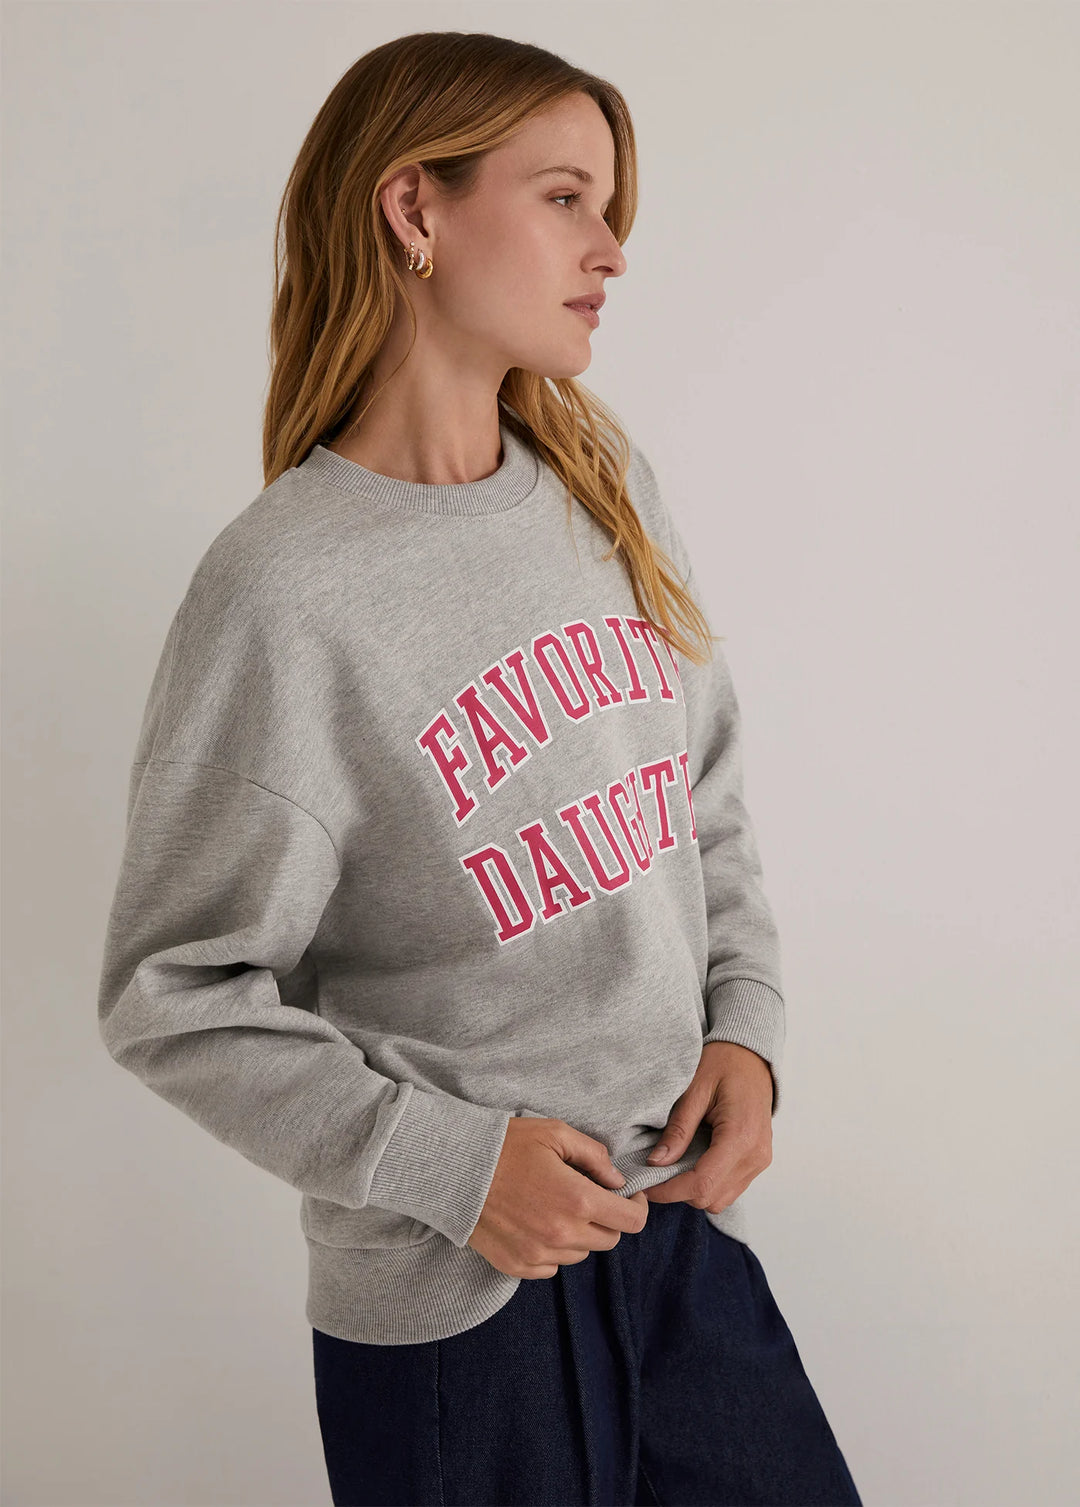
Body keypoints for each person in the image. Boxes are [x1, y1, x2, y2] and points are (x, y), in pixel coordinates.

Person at [97, 29, 863, 1507]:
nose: (613, 249)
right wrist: (454, 1167)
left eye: (611, 207)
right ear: (415, 209)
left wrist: (749, 1031)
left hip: (681, 1245)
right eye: (567, 198)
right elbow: (172, 992)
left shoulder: (601, 485)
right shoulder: (283, 594)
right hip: (464, 1309)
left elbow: (700, 794)